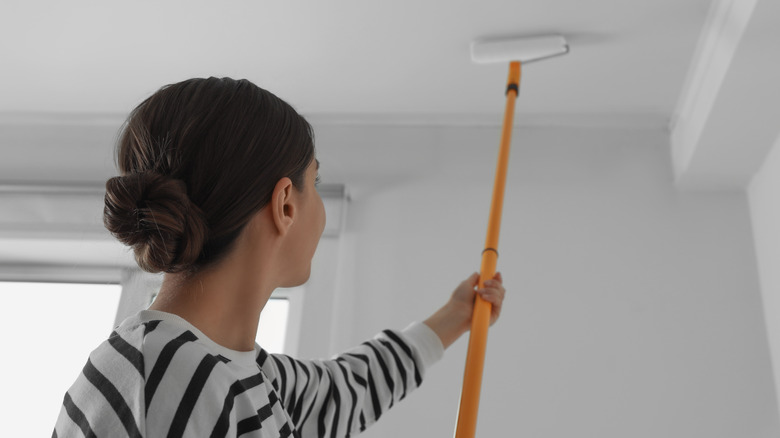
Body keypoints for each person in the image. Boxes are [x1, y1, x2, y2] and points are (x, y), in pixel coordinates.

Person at [52, 77, 505, 438]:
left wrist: (457, 315)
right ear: (286, 203)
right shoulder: (170, 378)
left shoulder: (232, 370)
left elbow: (342, 392)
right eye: (318, 182)